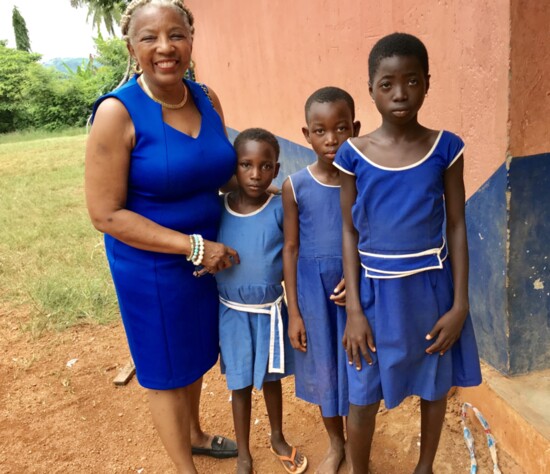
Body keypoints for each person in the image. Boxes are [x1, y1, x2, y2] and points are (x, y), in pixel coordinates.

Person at [85, 1, 240, 472]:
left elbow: (221, 175)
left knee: (194, 352)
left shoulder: (206, 98)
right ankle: (183, 468)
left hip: (207, 258)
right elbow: (106, 214)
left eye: (177, 35)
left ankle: (193, 434)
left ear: (191, 40)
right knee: (164, 368)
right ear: (132, 46)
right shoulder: (117, 113)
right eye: (150, 37)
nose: (165, 47)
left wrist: (276, 191)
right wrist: (193, 246)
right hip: (151, 265)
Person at [334, 32, 482, 473]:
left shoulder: (445, 148)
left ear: (427, 83)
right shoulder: (353, 154)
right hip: (375, 297)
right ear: (371, 89)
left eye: (412, 81)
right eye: (387, 83)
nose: (400, 93)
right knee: (363, 395)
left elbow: (456, 224)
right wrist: (355, 310)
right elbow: (348, 230)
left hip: (431, 292)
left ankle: (424, 468)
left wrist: (460, 304)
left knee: (434, 387)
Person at [216, 128, 307, 474]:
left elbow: (291, 253)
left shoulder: (278, 209)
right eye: (246, 165)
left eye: (265, 166)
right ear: (234, 167)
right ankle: (243, 453)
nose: (255, 174)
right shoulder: (219, 208)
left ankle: (277, 436)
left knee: (271, 380)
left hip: (271, 313)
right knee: (238, 384)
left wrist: (294, 310)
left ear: (276, 168)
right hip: (233, 314)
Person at [282, 87, 361, 474]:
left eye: (341, 128)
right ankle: (337, 444)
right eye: (320, 130)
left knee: (358, 367)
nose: (331, 140)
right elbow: (291, 249)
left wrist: (356, 273)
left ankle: (360, 445)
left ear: (356, 129)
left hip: (354, 295)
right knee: (324, 371)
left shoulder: (364, 179)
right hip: (313, 295)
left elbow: (371, 235)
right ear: (306, 134)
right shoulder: (295, 186)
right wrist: (293, 312)